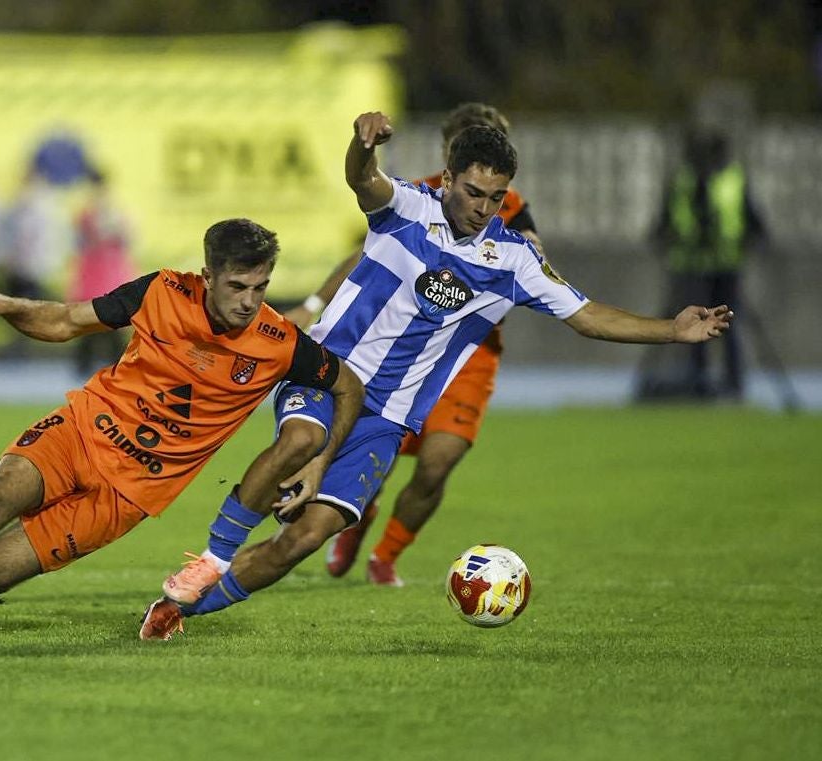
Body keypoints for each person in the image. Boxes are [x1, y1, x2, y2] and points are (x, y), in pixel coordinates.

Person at [139, 111, 733, 640]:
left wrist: (671, 330)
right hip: (323, 376)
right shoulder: (405, 208)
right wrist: (362, 145)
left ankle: (178, 610)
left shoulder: (513, 261)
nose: (482, 207)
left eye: (495, 198)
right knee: (302, 440)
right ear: (445, 179)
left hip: (387, 418)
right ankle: (213, 558)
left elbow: (588, 316)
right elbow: (360, 179)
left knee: (304, 538)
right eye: (472, 191)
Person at [0, 218, 364, 640]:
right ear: (207, 277)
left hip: (127, 493)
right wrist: (9, 305)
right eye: (238, 285)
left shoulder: (279, 344)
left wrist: (318, 461)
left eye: (261, 287)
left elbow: (348, 388)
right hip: (79, 432)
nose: (249, 301)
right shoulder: (161, 292)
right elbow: (66, 320)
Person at [285, 103, 540, 587]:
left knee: (438, 462)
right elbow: (366, 255)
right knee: (372, 451)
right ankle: (356, 511)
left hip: (467, 355)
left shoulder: (510, 205)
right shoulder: (419, 196)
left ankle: (386, 556)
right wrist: (316, 301)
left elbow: (530, 255)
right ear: (451, 154)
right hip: (400, 347)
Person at [637, 127, 766, 401]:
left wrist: (742, 243)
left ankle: (732, 385)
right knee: (693, 326)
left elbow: (755, 224)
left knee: (728, 326)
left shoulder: (733, 180)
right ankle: (698, 382)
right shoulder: (683, 181)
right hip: (690, 266)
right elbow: (663, 223)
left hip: (725, 266)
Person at [69, 172, 136, 376]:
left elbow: (128, 241)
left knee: (115, 323)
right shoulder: (85, 216)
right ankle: (83, 368)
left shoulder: (118, 214)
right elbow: (80, 243)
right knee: (87, 322)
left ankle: (119, 369)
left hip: (111, 274)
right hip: (92, 274)